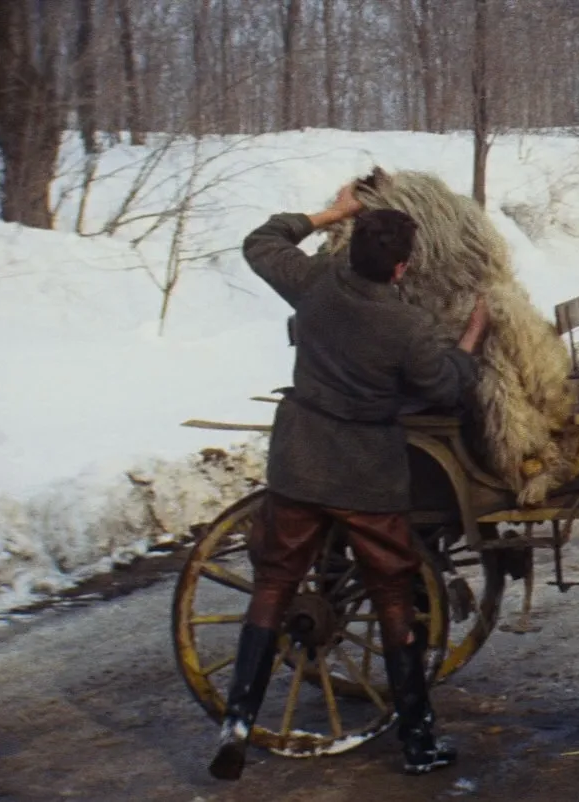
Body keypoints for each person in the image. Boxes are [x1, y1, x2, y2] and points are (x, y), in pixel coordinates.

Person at [209, 185, 489, 780]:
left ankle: (236, 722)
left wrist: (331, 212)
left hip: (302, 462)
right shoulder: (406, 325)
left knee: (274, 583)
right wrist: (470, 339)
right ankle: (417, 743)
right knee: (393, 595)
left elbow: (262, 240)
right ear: (402, 268)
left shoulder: (314, 282)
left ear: (349, 248)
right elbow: (444, 386)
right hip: (367, 476)